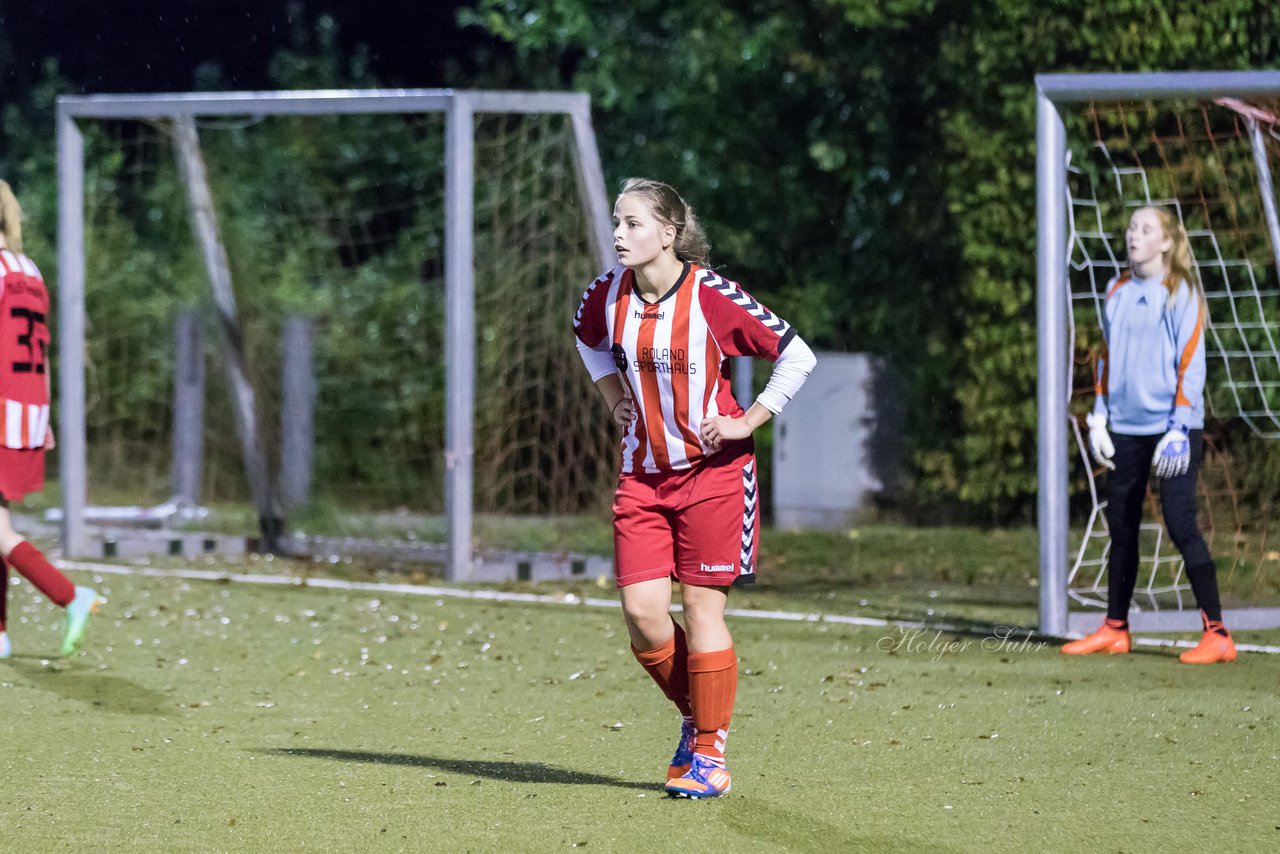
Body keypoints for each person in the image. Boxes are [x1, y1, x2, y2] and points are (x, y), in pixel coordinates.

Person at [573, 178, 815, 798]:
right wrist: (611, 398)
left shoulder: (712, 295)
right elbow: (586, 338)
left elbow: (797, 355)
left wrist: (747, 419)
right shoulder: (607, 294)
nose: (620, 235)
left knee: (702, 610)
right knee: (643, 616)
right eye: (618, 223)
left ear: (669, 234)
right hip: (642, 477)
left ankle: (709, 755)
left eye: (633, 224)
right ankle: (701, 716)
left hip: (715, 478)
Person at [1064, 205, 1235, 664]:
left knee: (1180, 523)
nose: (1133, 235)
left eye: (1144, 229)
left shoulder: (1181, 291)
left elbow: (1191, 361)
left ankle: (1217, 634)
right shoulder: (1116, 290)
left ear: (1165, 241)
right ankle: (1115, 627)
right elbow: (1105, 356)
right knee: (1121, 527)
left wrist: (1180, 426)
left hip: (1172, 430)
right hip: (1125, 429)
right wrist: (1099, 415)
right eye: (1131, 228)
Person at [0, 179, 104, 660]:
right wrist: (44, 420)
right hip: (29, 410)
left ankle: (70, 595)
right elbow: (36, 353)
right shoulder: (30, 271)